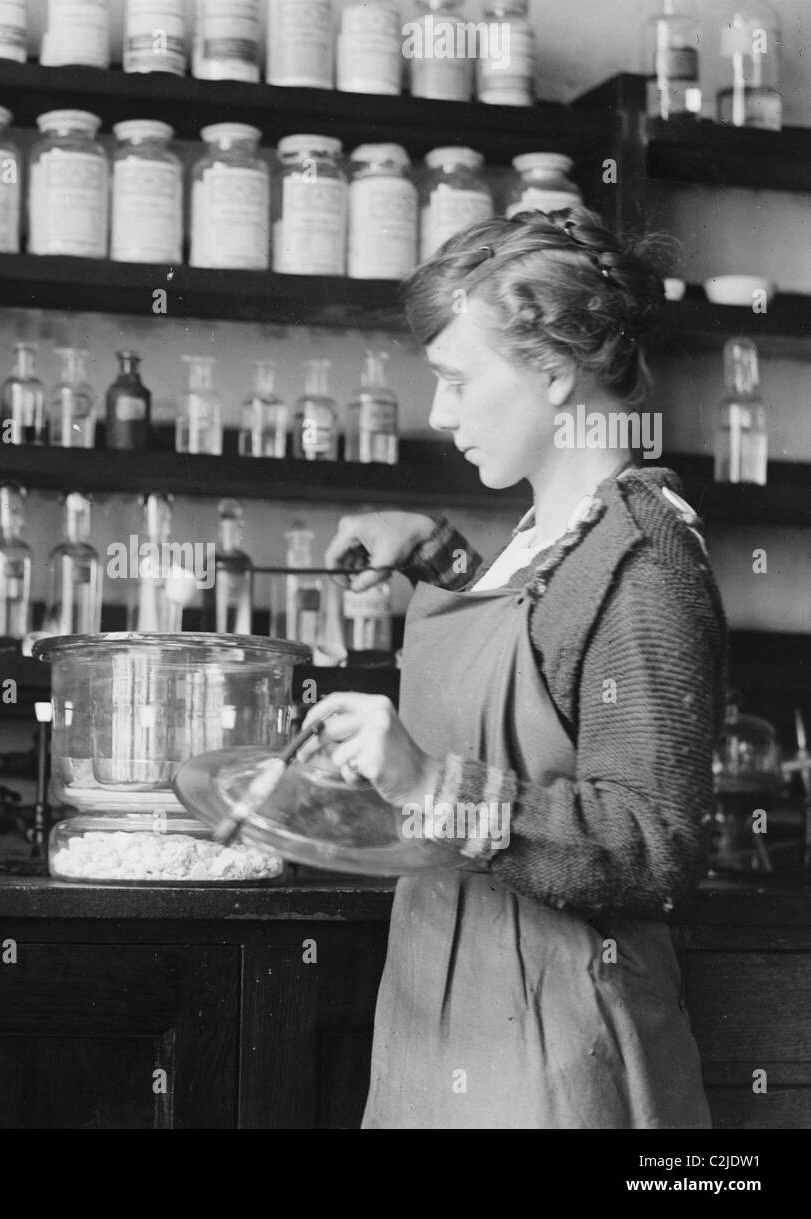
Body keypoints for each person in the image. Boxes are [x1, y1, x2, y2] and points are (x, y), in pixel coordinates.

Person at [307, 207, 727, 1129]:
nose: (438, 413)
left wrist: (428, 780)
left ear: (552, 369)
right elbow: (540, 650)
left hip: (559, 1051)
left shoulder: (646, 560)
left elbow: (653, 845)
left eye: (456, 380)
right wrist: (439, 556)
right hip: (446, 1019)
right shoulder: (555, 534)